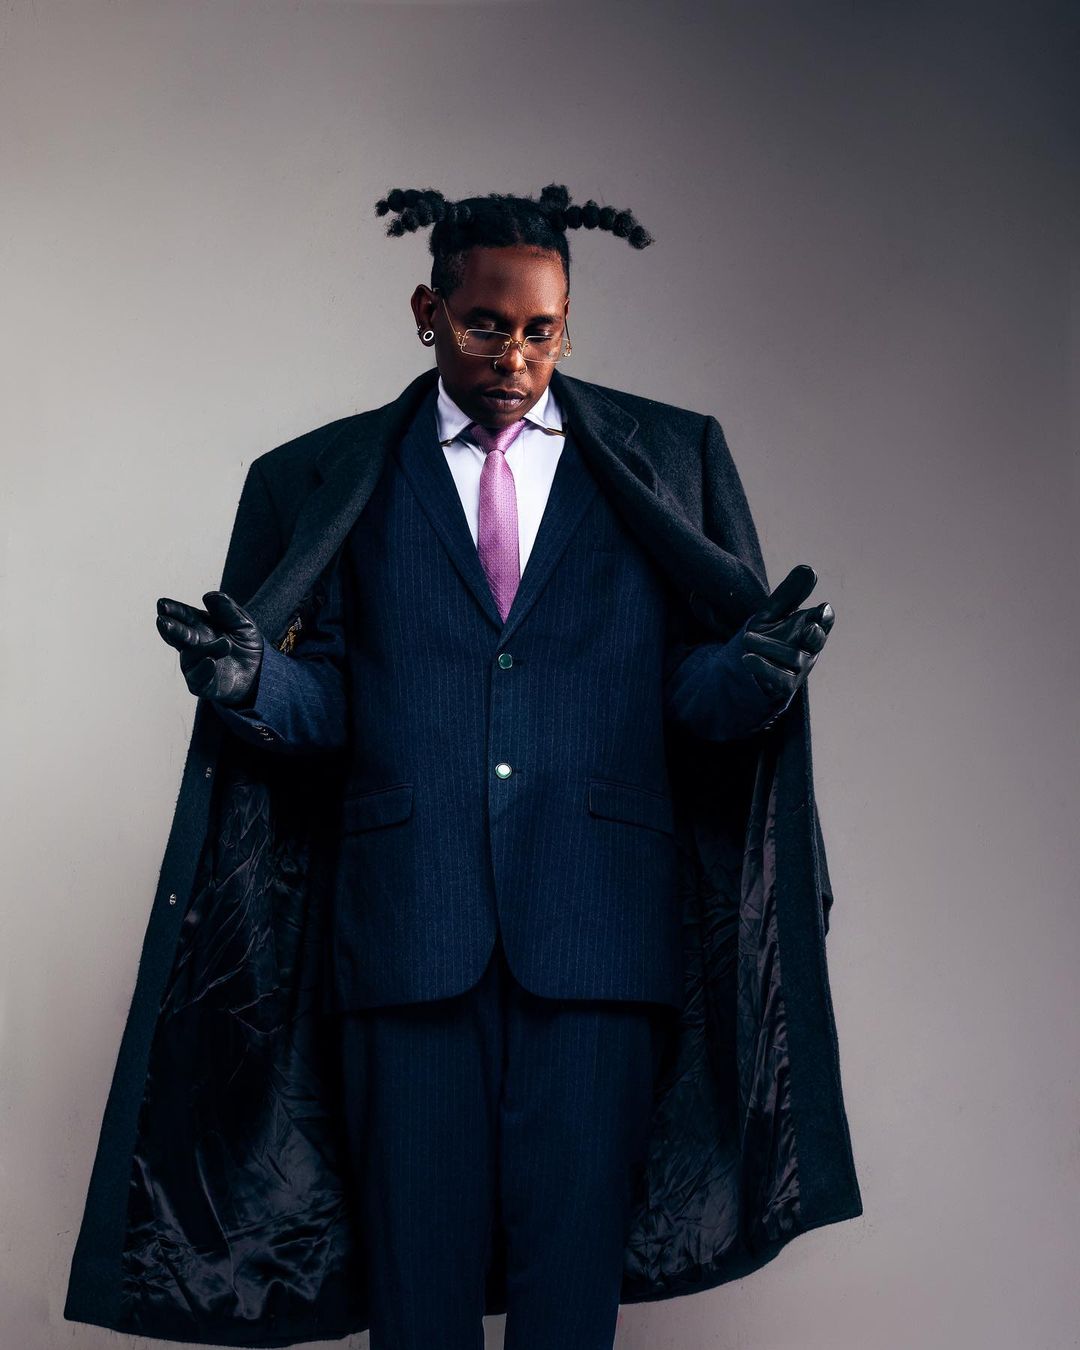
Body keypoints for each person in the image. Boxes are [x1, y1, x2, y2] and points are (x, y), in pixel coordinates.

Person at [65, 184, 862, 1350]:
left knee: (568, 1307)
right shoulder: (320, 477)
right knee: (418, 1305)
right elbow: (326, 701)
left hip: (597, 942)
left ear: (568, 325)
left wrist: (757, 676)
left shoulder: (670, 459)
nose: (516, 356)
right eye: (488, 324)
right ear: (426, 311)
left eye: (544, 330)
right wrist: (248, 682)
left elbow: (691, 695)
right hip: (405, 936)